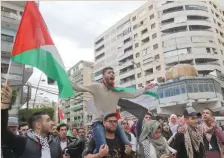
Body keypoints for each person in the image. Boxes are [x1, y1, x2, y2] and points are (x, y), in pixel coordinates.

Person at [72, 67, 153, 152]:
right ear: (103, 76)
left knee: (127, 144)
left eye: (113, 73)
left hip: (113, 123)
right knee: (103, 147)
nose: (112, 74)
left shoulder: (117, 91)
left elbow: (133, 94)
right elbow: (78, 87)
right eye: (109, 72)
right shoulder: (96, 87)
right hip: (99, 122)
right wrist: (65, 80)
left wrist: (145, 89)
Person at [1, 82, 63, 158]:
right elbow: (2, 131)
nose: (52, 123)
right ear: (38, 125)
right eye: (48, 120)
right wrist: (4, 105)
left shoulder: (56, 145)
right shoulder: (22, 142)